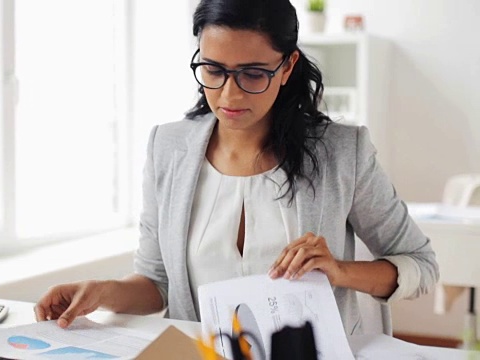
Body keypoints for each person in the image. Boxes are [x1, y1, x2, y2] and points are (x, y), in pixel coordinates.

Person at [35, 0, 439, 335]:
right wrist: (101, 292)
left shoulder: (342, 152)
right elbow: (158, 284)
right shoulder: (168, 147)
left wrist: (339, 271)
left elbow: (421, 265)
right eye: (213, 70)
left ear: (287, 67)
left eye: (252, 74)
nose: (229, 93)